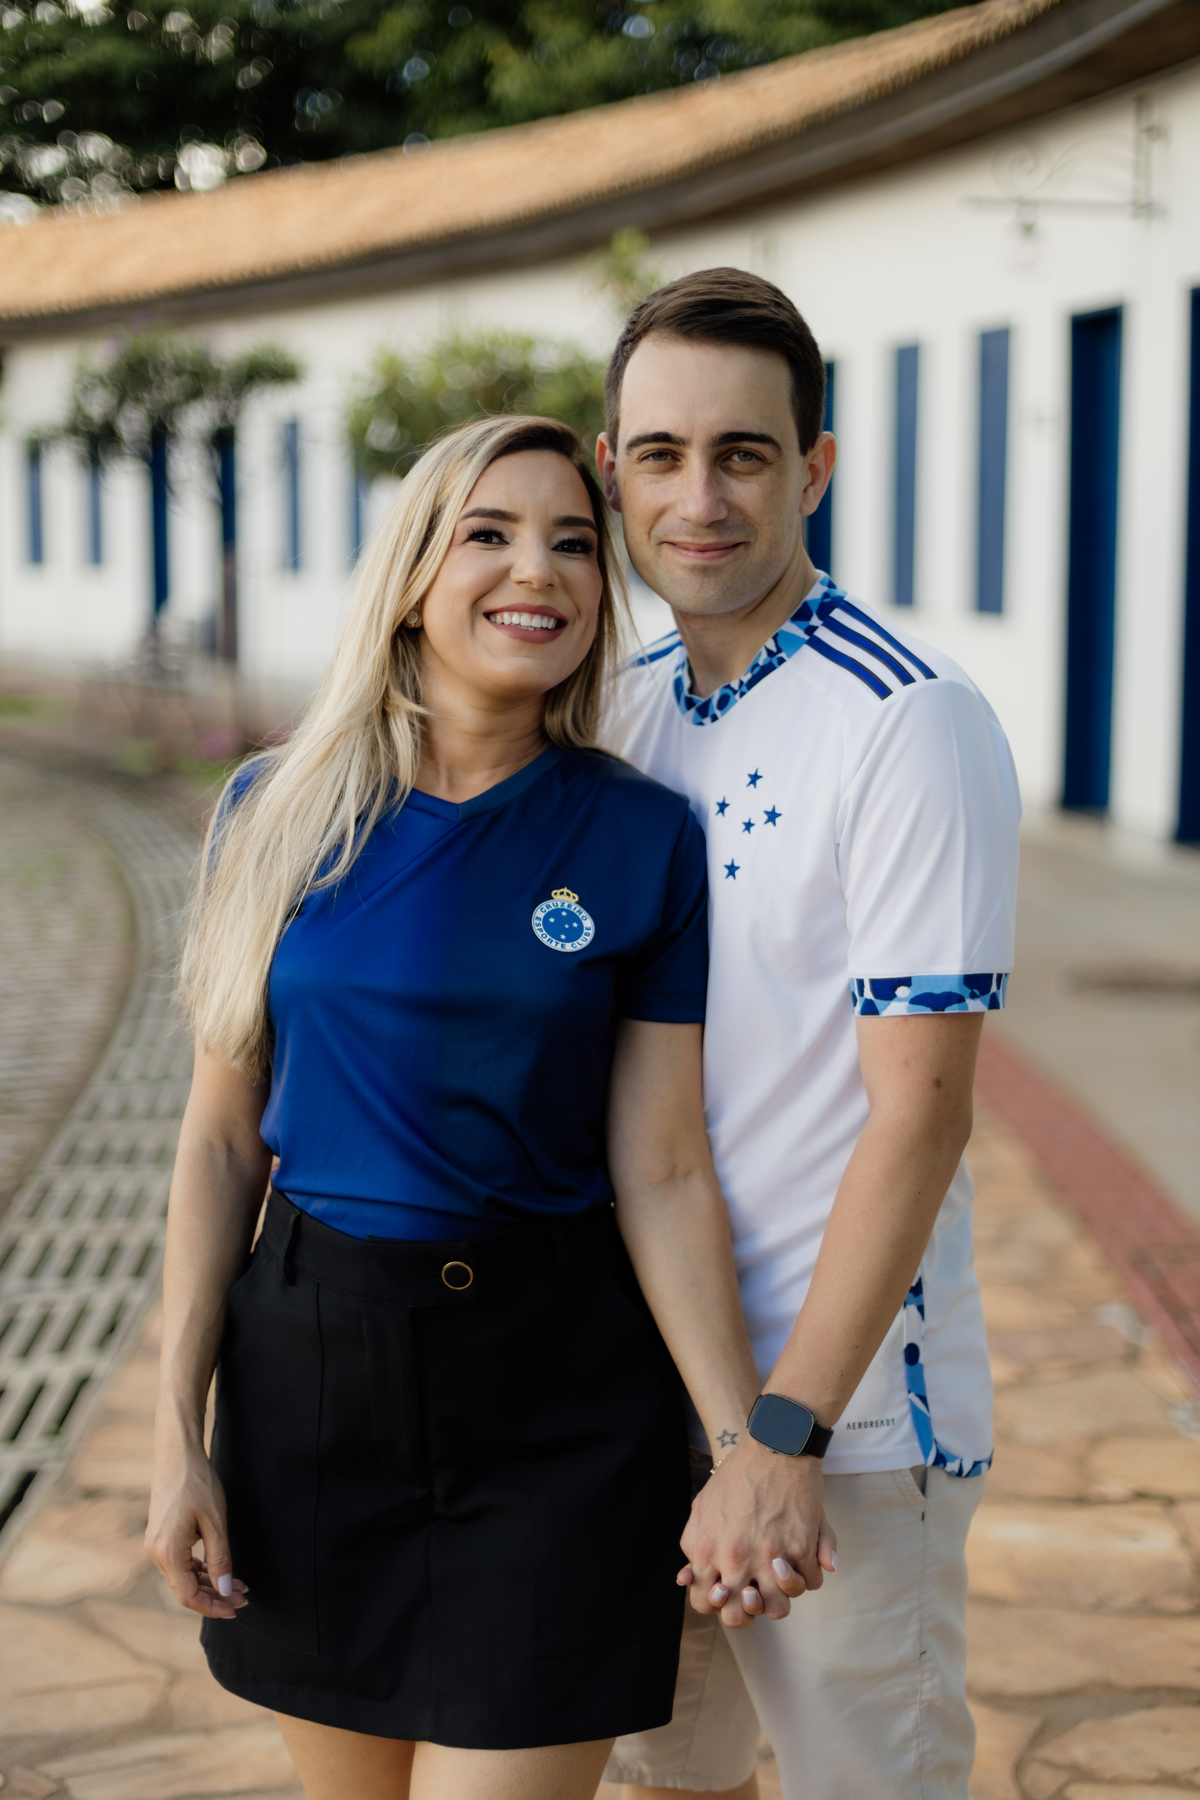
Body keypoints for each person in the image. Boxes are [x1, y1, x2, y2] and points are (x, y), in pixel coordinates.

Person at [146, 414, 777, 1800]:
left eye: (573, 543)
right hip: (314, 1384)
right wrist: (175, 1432)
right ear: (412, 577)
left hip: (557, 1391)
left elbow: (664, 1167)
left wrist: (742, 1445)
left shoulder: (639, 835)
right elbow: (218, 1141)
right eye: (488, 534)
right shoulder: (273, 813)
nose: (536, 570)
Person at [595, 269, 1020, 1800]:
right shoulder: (622, 710)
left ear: (815, 469)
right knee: (674, 1779)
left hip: (837, 1425)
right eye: (662, 455)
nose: (699, 498)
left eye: (745, 454)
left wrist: (782, 1433)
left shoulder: (906, 722)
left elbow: (921, 1115)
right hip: (644, 1393)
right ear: (612, 472)